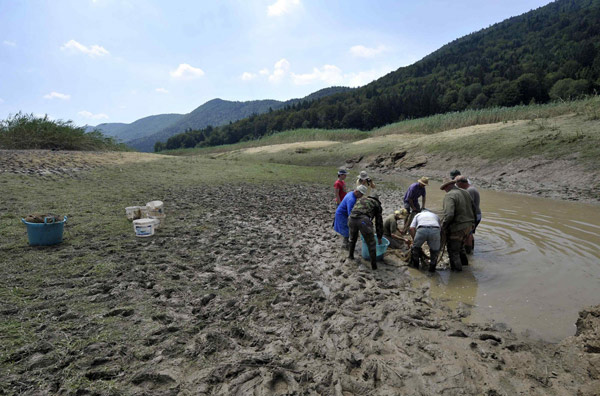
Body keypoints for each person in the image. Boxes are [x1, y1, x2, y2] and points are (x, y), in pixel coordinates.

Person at [439, 178, 476, 271]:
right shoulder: (465, 192)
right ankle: (466, 268)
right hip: (468, 226)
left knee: (453, 251)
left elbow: (449, 214)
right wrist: (473, 223)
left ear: (447, 186)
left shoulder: (449, 195)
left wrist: (444, 226)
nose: (444, 191)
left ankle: (457, 275)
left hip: (458, 228)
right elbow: (474, 208)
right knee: (461, 249)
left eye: (444, 188)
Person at [348, 192, 384, 270]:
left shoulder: (361, 199)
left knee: (352, 239)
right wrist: (379, 237)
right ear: (377, 199)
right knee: (371, 244)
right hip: (363, 221)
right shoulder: (377, 204)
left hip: (351, 218)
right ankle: (374, 266)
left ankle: (350, 256)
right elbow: (379, 222)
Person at [455, 176, 481, 254]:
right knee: (470, 233)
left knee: (468, 233)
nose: (458, 187)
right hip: (476, 214)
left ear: (461, 183)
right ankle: (471, 249)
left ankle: (468, 252)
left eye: (458, 185)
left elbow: (469, 205)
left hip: (474, 215)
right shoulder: (472, 188)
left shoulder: (469, 190)